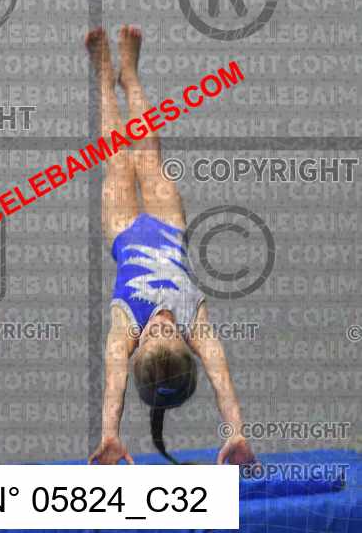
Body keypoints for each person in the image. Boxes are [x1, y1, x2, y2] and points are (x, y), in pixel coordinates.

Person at [85, 25, 256, 467]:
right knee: (148, 154)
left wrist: (109, 434)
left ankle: (104, 77)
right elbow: (221, 379)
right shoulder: (195, 323)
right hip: (167, 227)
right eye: (170, 334)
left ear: (137, 348)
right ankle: (131, 76)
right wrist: (236, 431)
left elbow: (114, 383)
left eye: (152, 336)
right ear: (186, 343)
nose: (161, 326)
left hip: (125, 231)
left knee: (116, 159)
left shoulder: (125, 328)